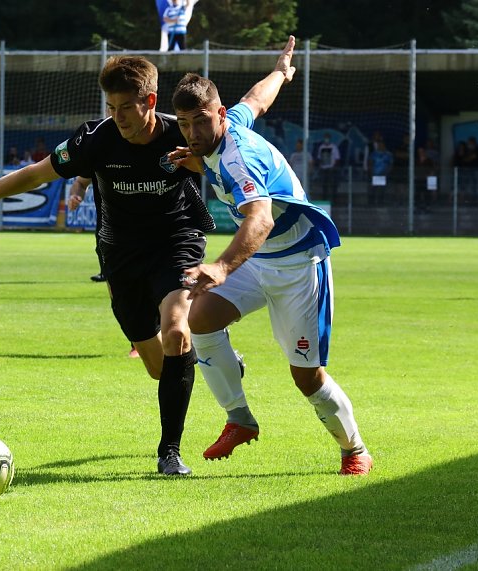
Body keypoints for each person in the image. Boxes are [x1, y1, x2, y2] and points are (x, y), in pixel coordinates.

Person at [0, 40, 296, 478]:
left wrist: (281, 74)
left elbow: (248, 108)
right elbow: (34, 173)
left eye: (125, 108)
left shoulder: (182, 133)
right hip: (120, 257)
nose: (117, 117)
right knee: (158, 368)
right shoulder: (95, 140)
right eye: (111, 107)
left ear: (150, 101)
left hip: (177, 242)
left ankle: (169, 453)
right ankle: (219, 362)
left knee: (176, 334)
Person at [168, 45, 373, 476]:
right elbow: (257, 99)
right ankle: (239, 419)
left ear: (218, 113)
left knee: (307, 378)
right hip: (260, 260)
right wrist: (281, 72)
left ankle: (354, 449)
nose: (192, 132)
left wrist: (221, 268)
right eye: (184, 124)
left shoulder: (237, 158)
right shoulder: (228, 125)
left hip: (298, 265)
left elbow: (259, 220)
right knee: (198, 320)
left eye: (200, 121)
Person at [67, 175, 140, 359]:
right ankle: (138, 342)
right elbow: (80, 182)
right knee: (118, 293)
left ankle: (158, 338)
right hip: (110, 236)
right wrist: (75, 196)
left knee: (155, 288)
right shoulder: (100, 149)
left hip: (151, 232)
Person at [315, 133, 340, 204]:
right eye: (325, 138)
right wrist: (320, 165)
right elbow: (319, 158)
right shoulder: (321, 147)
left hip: (331, 169)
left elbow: (337, 158)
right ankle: (324, 199)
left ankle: (334, 200)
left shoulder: (334, 147)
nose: (326, 139)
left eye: (327, 138)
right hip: (324, 169)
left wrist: (334, 167)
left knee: (332, 185)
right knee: (324, 185)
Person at [367, 139, 393, 206]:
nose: (380, 146)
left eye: (381, 144)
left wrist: (387, 172)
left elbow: (390, 164)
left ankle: (380, 202)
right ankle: (371, 202)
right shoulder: (373, 154)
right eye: (379, 144)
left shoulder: (388, 154)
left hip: (384, 174)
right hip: (375, 174)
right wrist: (371, 172)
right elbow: (370, 163)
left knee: (382, 189)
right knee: (373, 188)